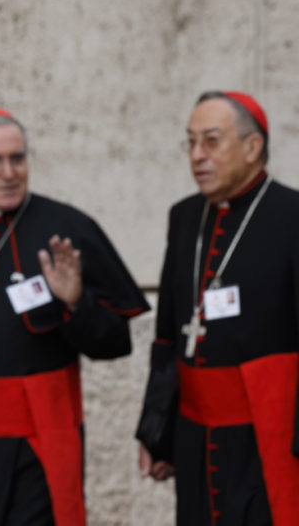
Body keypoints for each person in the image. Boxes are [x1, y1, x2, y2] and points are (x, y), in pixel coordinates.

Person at [0, 108, 149, 526]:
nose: (9, 172)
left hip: (36, 447)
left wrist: (76, 303)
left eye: (17, 158)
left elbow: (116, 342)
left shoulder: (68, 228)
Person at [136, 91, 299, 525]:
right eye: (190, 142)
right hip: (194, 433)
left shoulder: (292, 216)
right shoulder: (185, 216)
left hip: (267, 434)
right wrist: (160, 430)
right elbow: (168, 332)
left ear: (252, 147)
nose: (196, 156)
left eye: (211, 141)